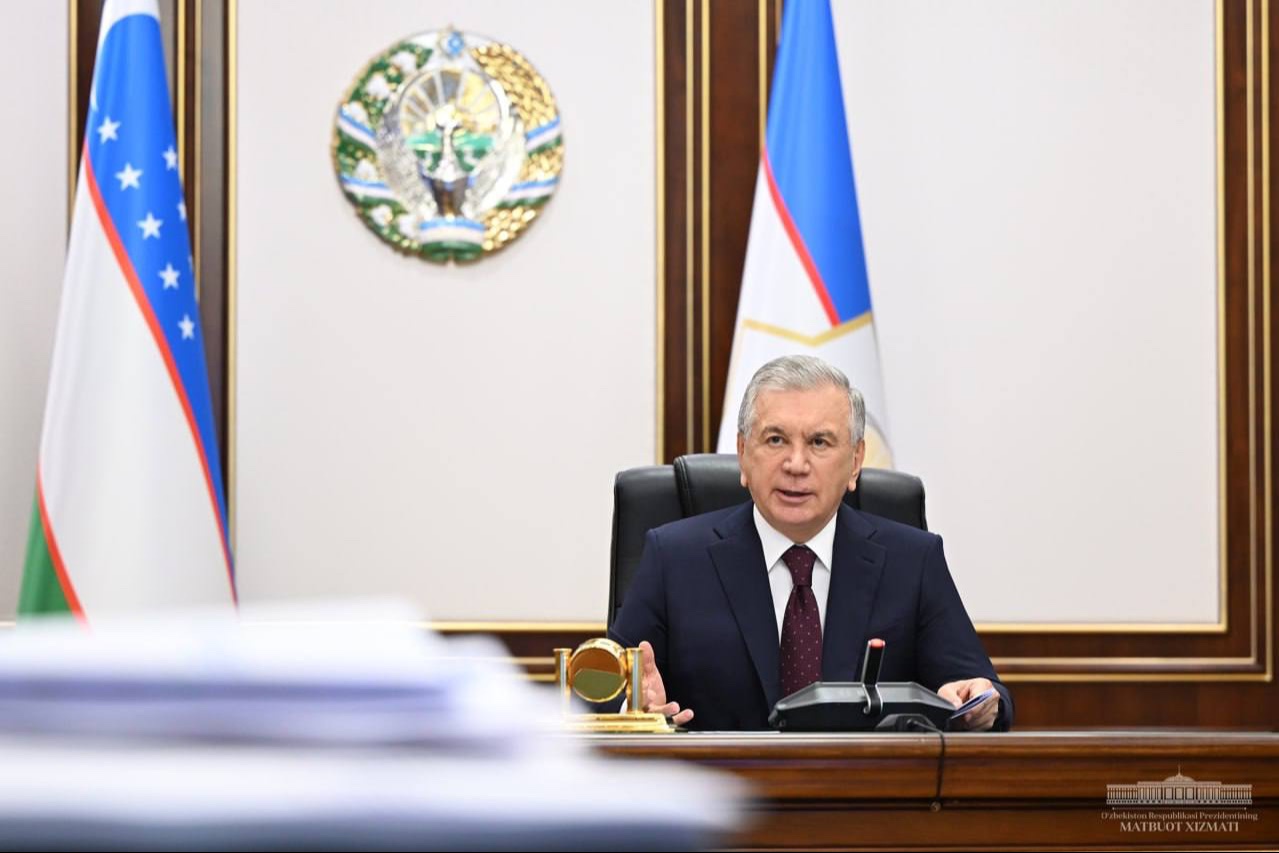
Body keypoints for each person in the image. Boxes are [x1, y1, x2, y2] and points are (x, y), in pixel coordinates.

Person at [609, 354, 1012, 731]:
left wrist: (976, 702)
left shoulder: (912, 561)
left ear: (855, 461)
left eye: (819, 442)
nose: (796, 464)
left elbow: (982, 692)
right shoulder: (674, 559)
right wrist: (633, 710)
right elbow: (599, 695)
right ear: (743, 453)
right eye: (775, 440)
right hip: (718, 782)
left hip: (862, 784)